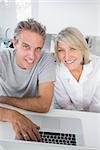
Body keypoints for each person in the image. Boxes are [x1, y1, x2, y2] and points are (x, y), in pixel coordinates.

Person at [0, 19, 56, 141]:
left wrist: (3, 99)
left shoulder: (46, 59)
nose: (32, 55)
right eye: (26, 46)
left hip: (34, 116)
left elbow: (44, 105)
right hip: (4, 117)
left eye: (38, 49)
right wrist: (13, 115)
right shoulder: (2, 59)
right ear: (15, 43)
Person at [54, 27, 100, 113]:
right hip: (68, 117)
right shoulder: (56, 71)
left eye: (72, 49)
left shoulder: (98, 67)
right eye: (61, 50)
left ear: (82, 48)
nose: (66, 56)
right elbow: (64, 105)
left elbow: (97, 106)